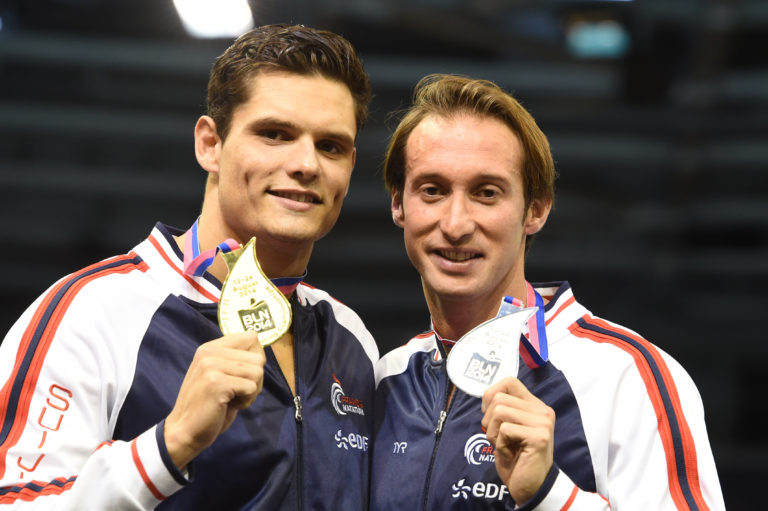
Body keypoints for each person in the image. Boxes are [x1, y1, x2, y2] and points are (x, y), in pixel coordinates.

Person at [0, 24, 378, 510]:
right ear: (210, 144)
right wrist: (169, 444)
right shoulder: (93, 311)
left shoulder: (352, 338)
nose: (306, 163)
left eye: (330, 146)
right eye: (275, 134)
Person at [370, 74, 725, 510]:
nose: (456, 223)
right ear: (398, 204)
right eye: (432, 190)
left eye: (486, 193)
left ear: (535, 210)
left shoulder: (626, 376)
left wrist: (550, 493)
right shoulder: (386, 379)